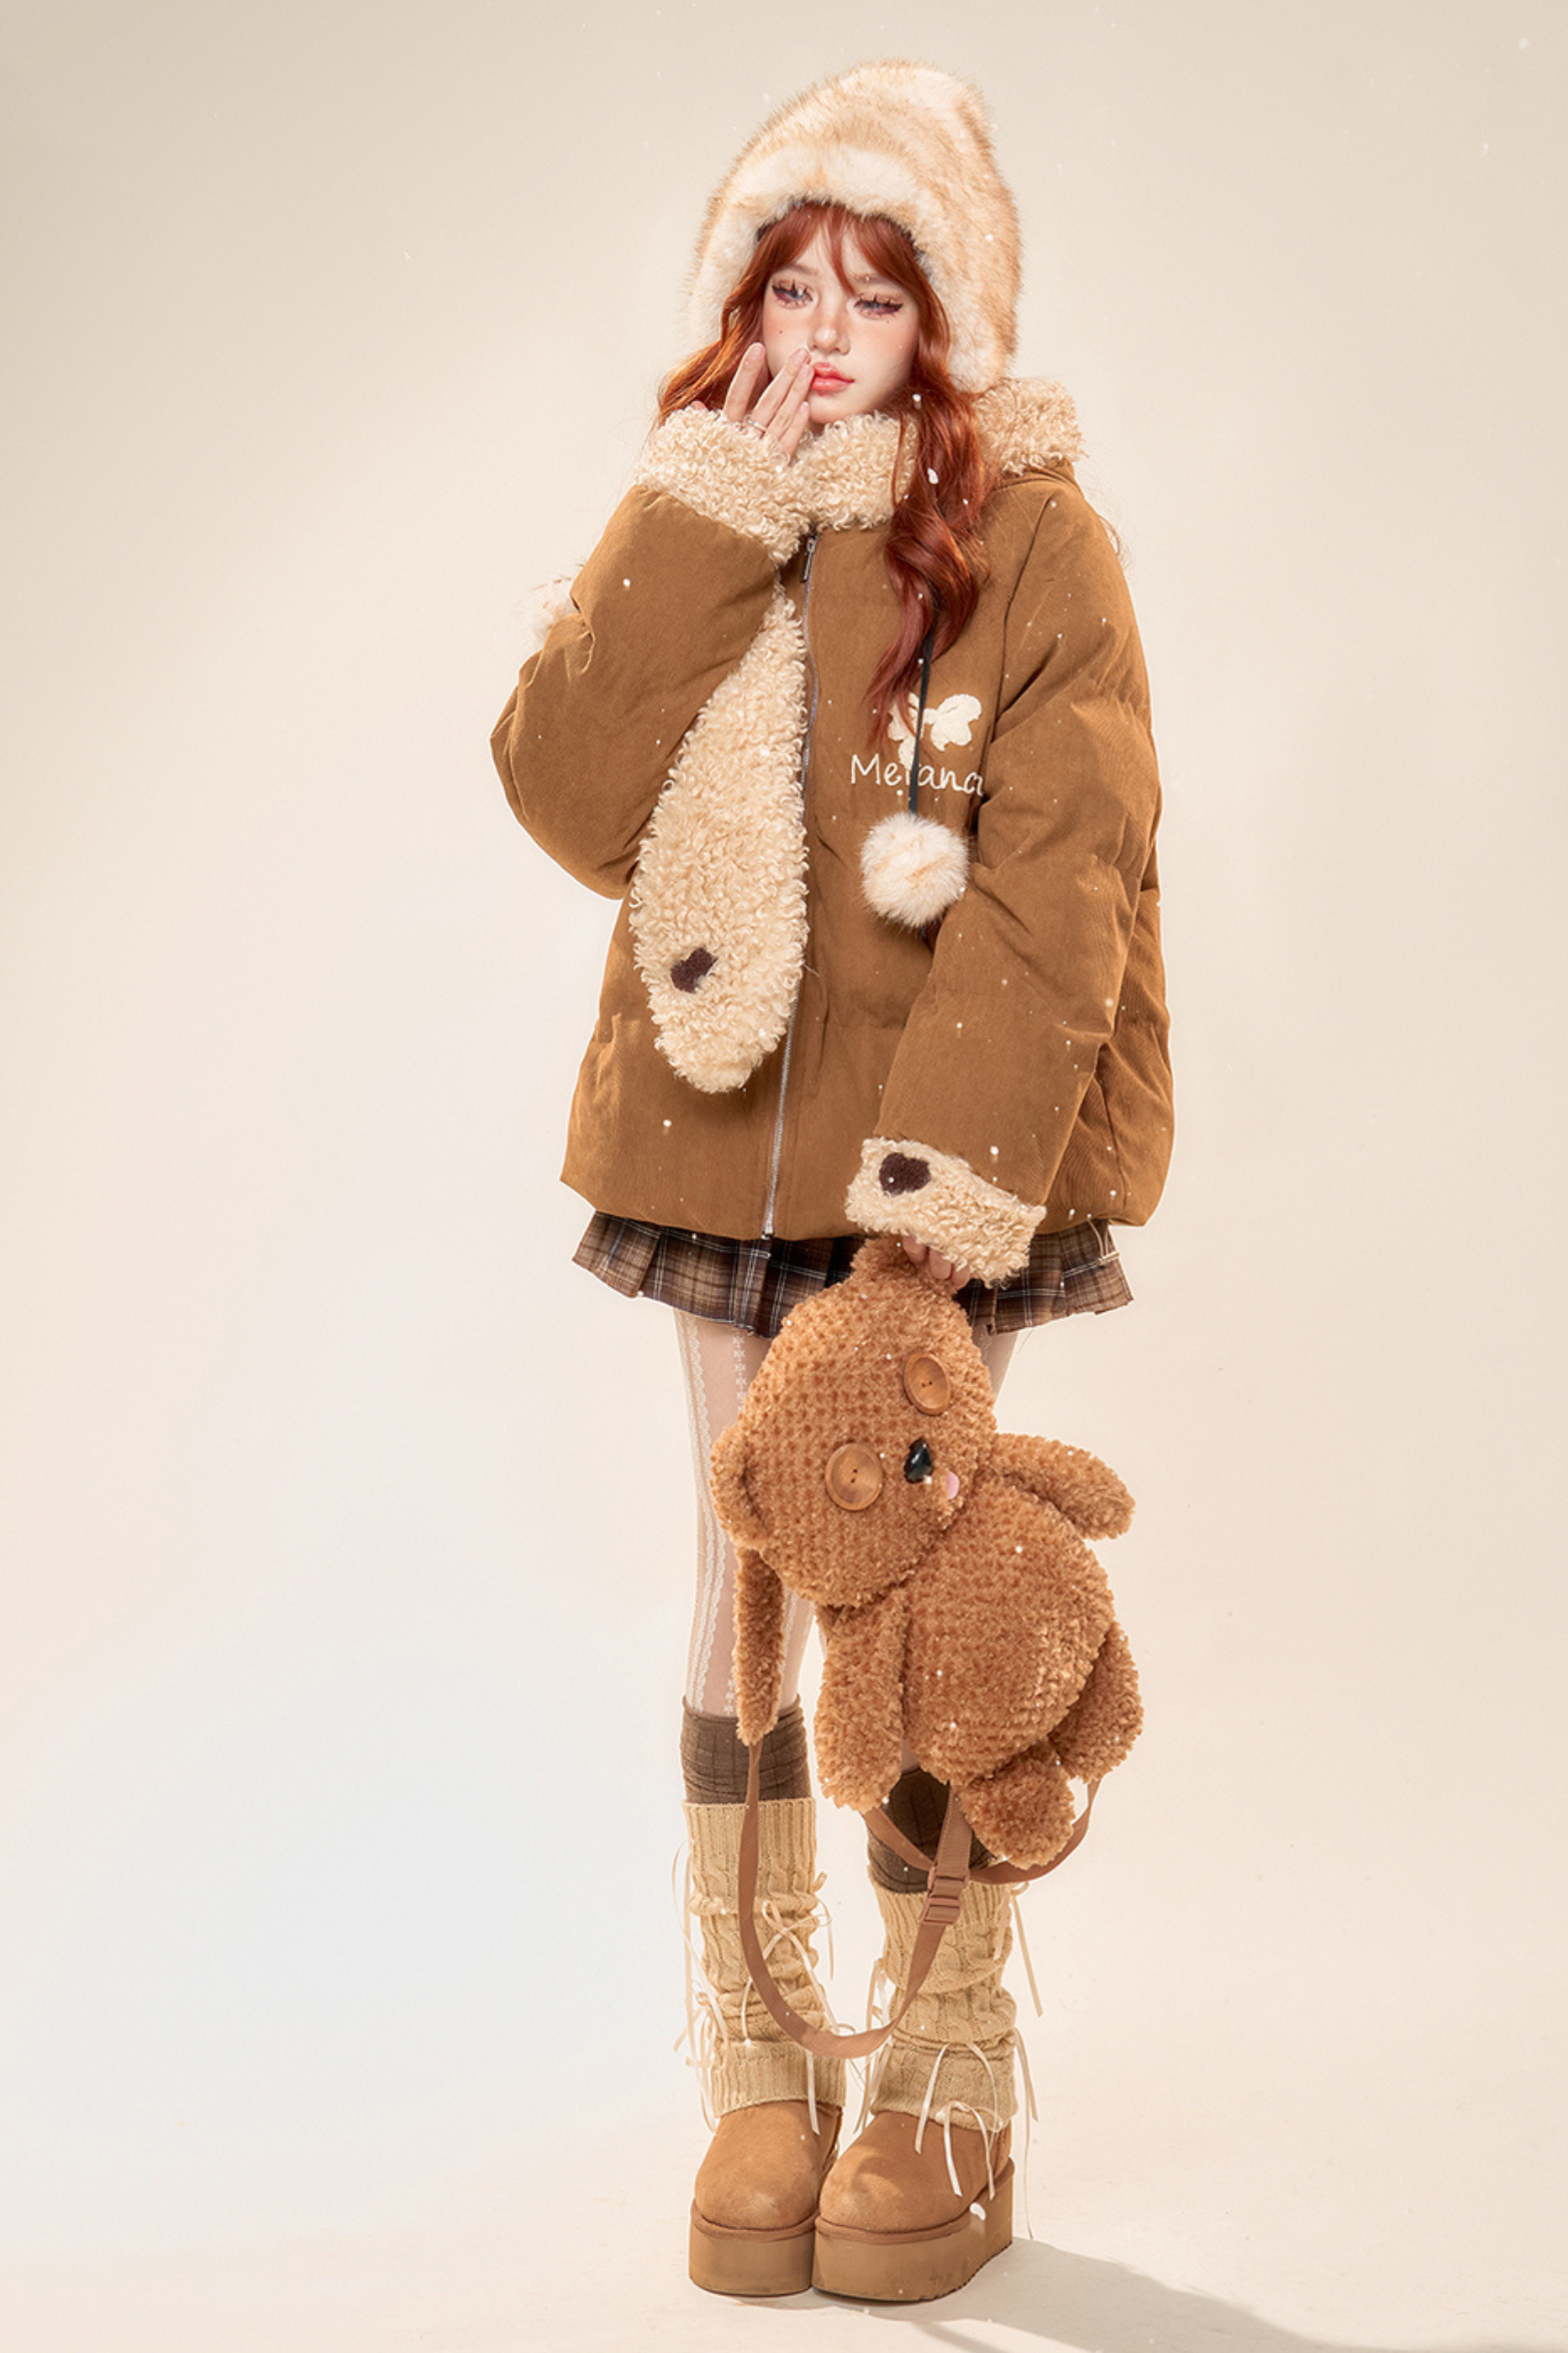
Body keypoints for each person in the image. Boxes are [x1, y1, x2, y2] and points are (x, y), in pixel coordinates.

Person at [491, 60, 1172, 2304]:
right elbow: (565, 787)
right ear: (740, 306)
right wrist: (706, 506)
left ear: (943, 322)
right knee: (739, 1592)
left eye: (874, 295)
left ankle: (947, 2073)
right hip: (711, 1147)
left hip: (931, 1181)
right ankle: (761, 2060)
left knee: (920, 1600)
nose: (823, 331)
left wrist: (939, 1213)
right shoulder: (707, 506)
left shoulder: (1037, 547)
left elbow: (1064, 878)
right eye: (789, 286)